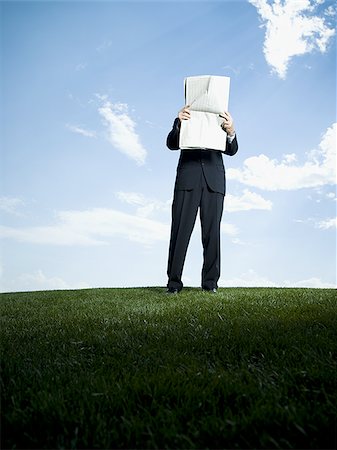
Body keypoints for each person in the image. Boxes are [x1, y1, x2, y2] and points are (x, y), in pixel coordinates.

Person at [166, 105, 238, 294]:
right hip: (187, 179)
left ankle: (210, 283)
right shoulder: (185, 117)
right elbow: (171, 144)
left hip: (214, 181)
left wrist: (231, 131)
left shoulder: (221, 118)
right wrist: (179, 123)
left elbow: (232, 150)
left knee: (212, 233)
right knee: (180, 232)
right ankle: (173, 284)